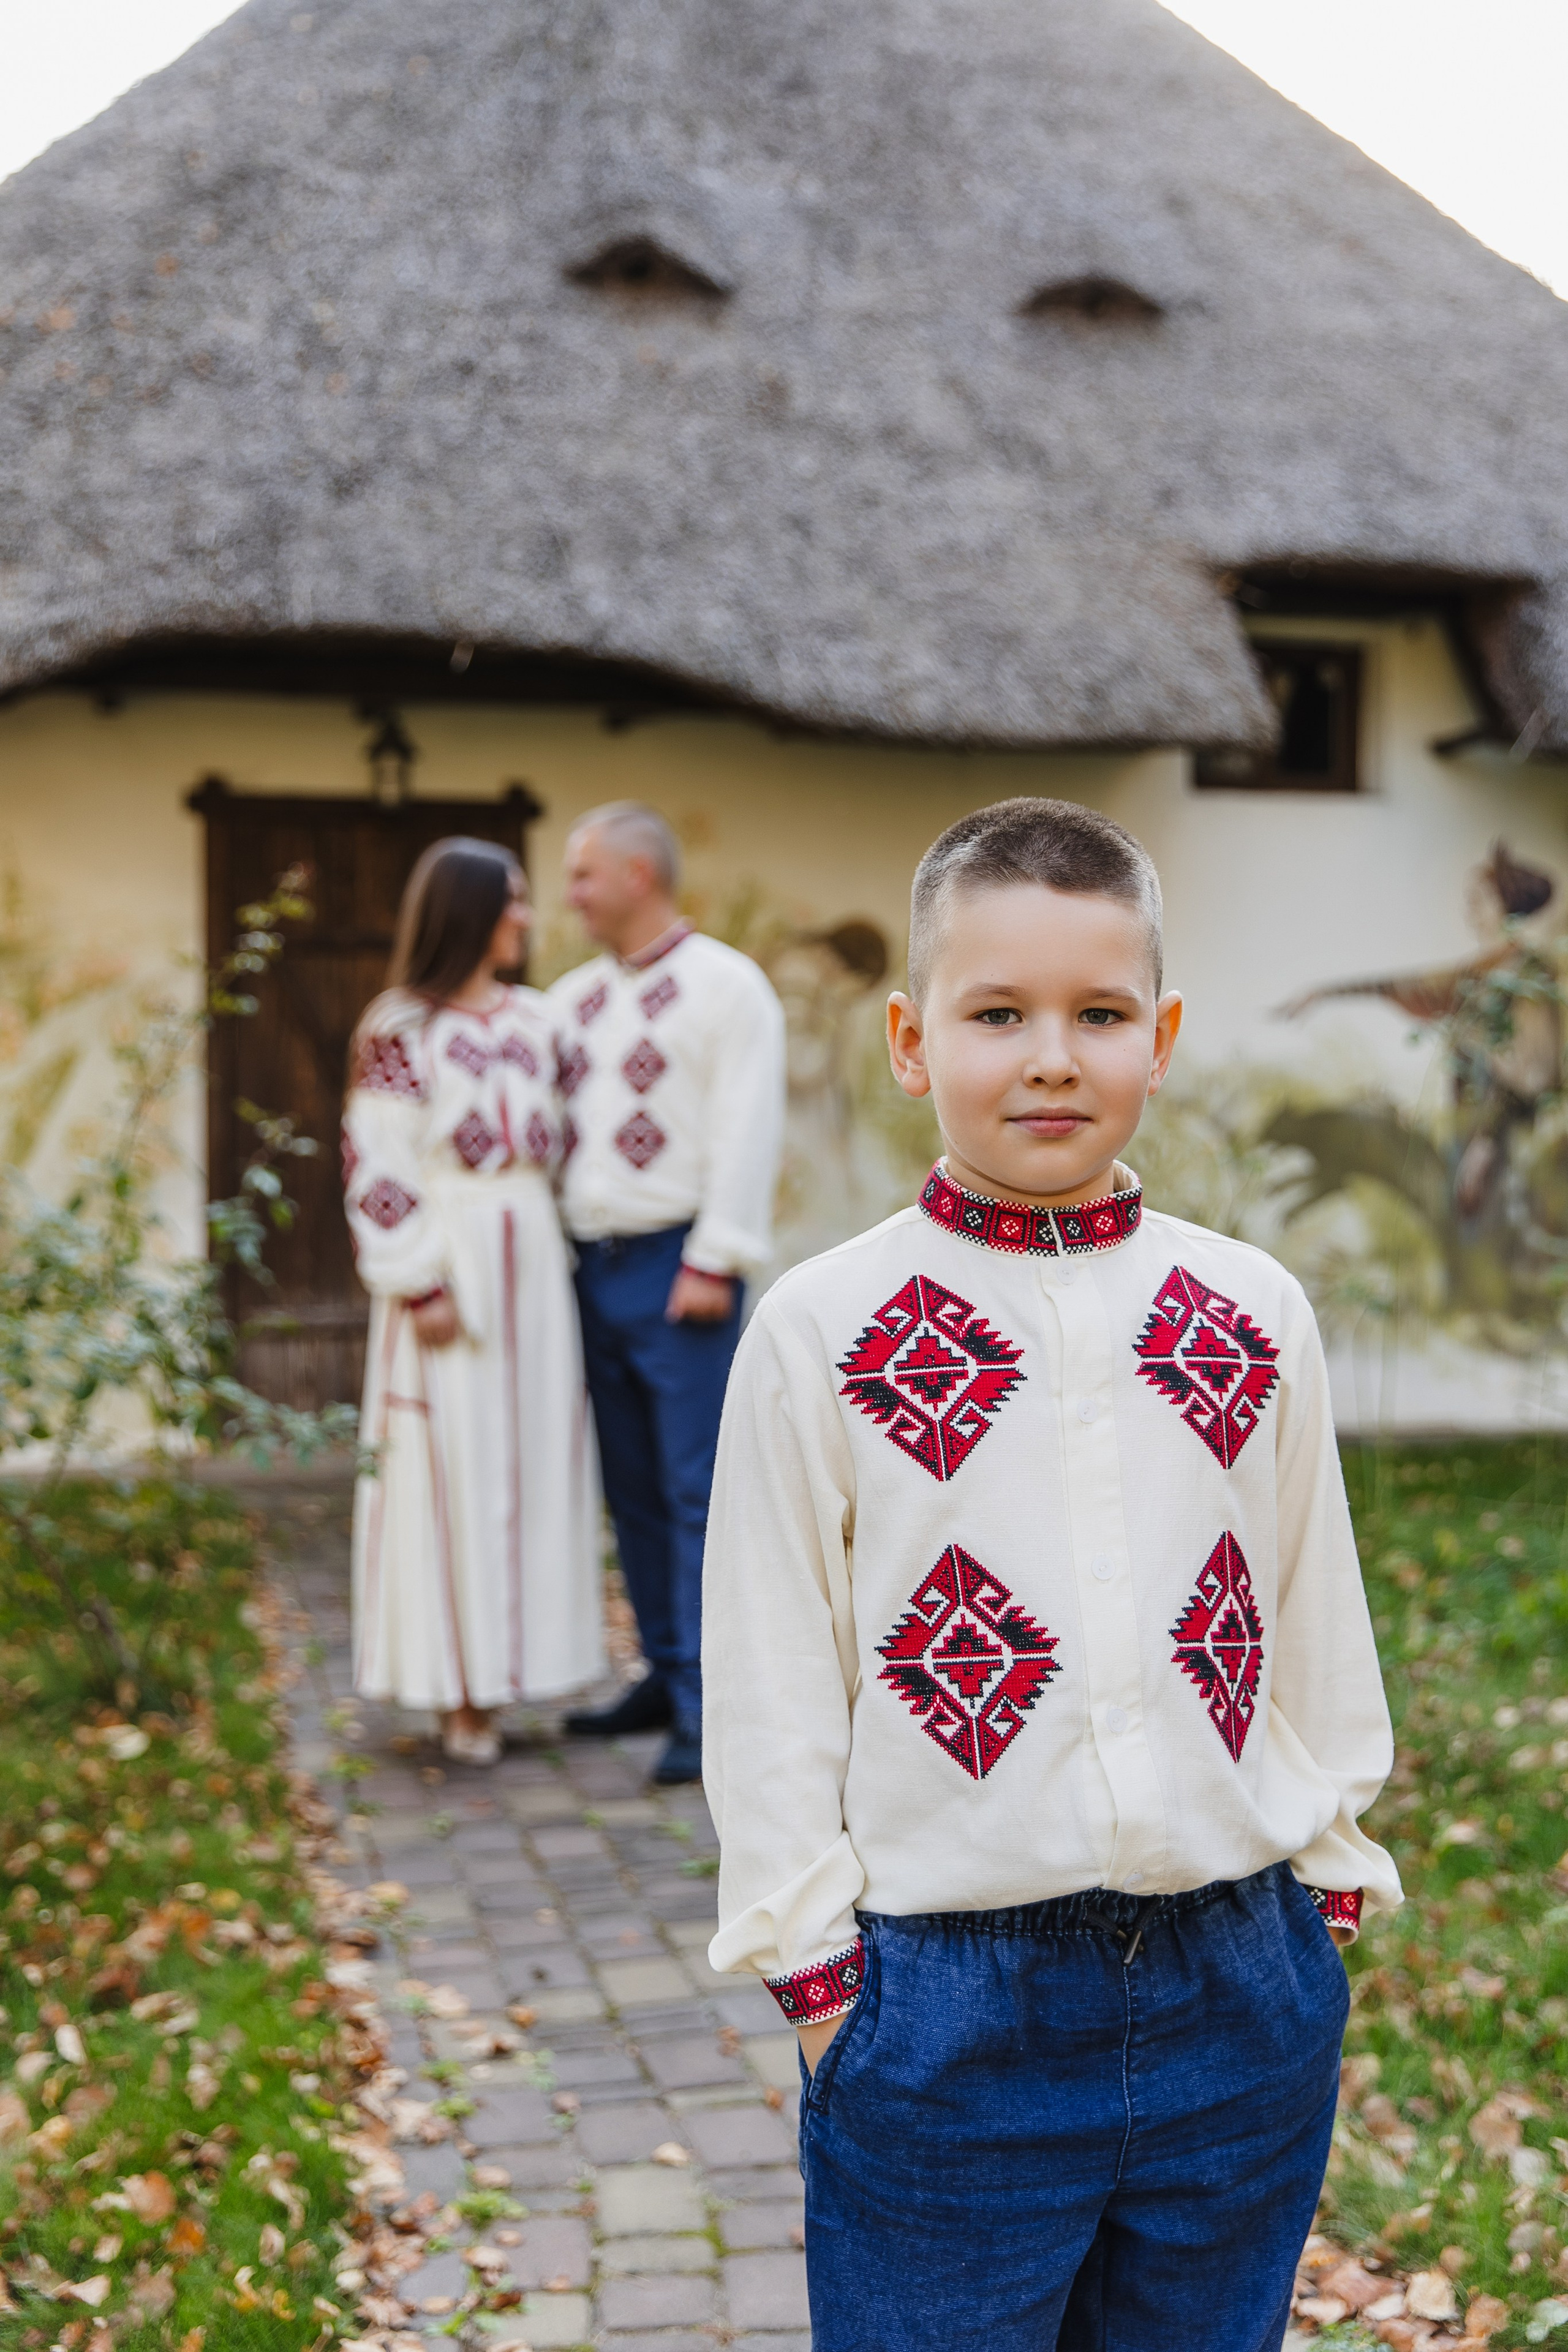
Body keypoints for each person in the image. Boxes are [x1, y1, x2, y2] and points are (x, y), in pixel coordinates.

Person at [702, 797, 1402, 2351]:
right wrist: (821, 1986)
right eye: (994, 1012)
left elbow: (1308, 1602)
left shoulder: (1246, 1309)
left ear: (1158, 1038)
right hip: (945, 2019)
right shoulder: (824, 1328)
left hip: (1242, 1994)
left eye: (1097, 1015)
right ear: (908, 1037)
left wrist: (1324, 1889)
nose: (1048, 1056)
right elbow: (767, 1673)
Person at [344, 837, 603, 1766]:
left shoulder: (543, 1024)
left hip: (533, 1261)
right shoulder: (401, 1029)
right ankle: (458, 1690)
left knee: (537, 1462)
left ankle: (523, 1671)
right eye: (514, 902)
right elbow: (377, 1162)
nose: (527, 919)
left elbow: (583, 1144)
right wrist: (417, 1279)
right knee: (449, 1464)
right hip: (448, 1261)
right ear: (470, 912)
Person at [551, 801, 786, 1786]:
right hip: (590, 1264)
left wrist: (715, 1255)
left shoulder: (728, 987)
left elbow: (746, 1123)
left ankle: (707, 1709)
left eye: (583, 874)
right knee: (631, 1489)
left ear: (639, 875)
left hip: (678, 1263)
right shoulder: (572, 1001)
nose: (571, 895)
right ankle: (661, 1667)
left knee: (697, 1491)